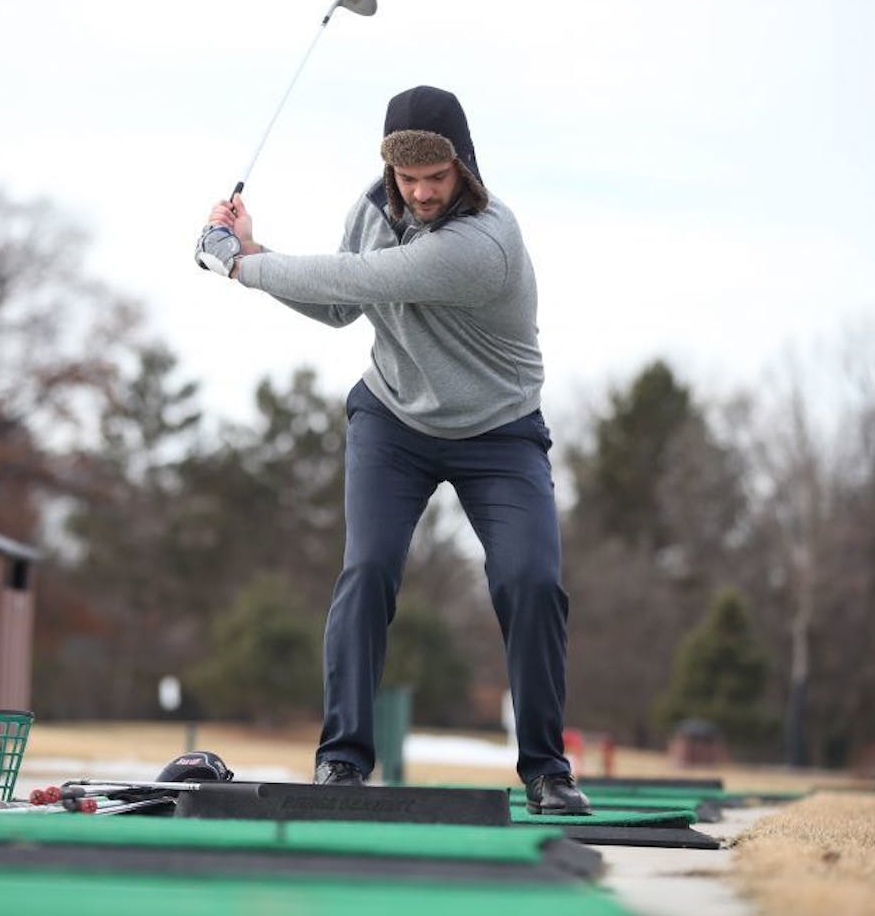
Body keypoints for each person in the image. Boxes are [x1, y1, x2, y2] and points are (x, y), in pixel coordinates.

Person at [199, 85, 589, 814]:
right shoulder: (377, 208)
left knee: (530, 581)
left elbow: (367, 278)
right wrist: (251, 250)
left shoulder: (485, 244)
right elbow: (342, 305)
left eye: (435, 178)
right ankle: (343, 760)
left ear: (464, 169)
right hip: (393, 421)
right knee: (369, 568)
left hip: (499, 433)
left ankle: (546, 769)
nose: (420, 192)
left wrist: (239, 265)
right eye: (407, 179)